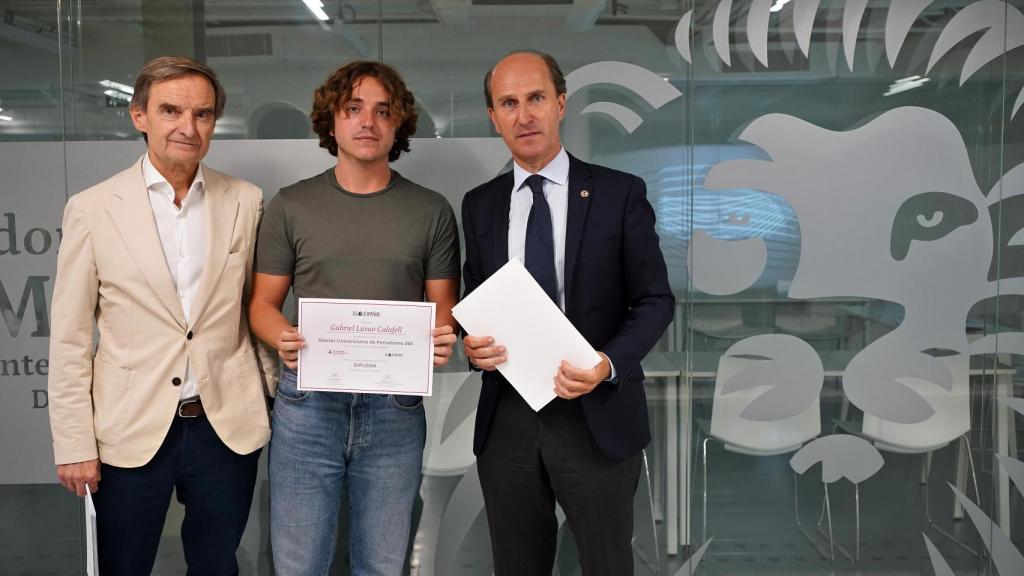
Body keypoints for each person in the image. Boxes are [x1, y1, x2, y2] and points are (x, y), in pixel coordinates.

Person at [48, 56, 276, 575]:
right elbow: (69, 338)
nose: (187, 127)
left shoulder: (245, 200)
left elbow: (253, 310)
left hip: (225, 428)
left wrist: (271, 397)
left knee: (218, 565)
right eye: (171, 110)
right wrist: (74, 443)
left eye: (203, 114)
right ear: (139, 117)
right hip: (130, 428)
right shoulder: (93, 208)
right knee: (124, 565)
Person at [461, 50, 674, 575]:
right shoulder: (479, 205)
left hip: (595, 417)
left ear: (560, 103)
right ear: (494, 117)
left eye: (535, 98)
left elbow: (655, 300)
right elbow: (476, 303)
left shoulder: (618, 193)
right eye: (508, 103)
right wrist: (473, 347)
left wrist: (607, 363)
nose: (523, 115)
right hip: (508, 421)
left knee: (605, 563)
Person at [248, 60, 460, 575]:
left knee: (383, 566)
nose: (368, 121)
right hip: (307, 406)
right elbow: (261, 307)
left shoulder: (431, 211)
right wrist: (284, 338)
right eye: (354, 108)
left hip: (394, 408)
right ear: (332, 121)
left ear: (398, 125)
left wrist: (441, 339)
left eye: (383, 111)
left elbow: (443, 313)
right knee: (299, 566)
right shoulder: (291, 206)